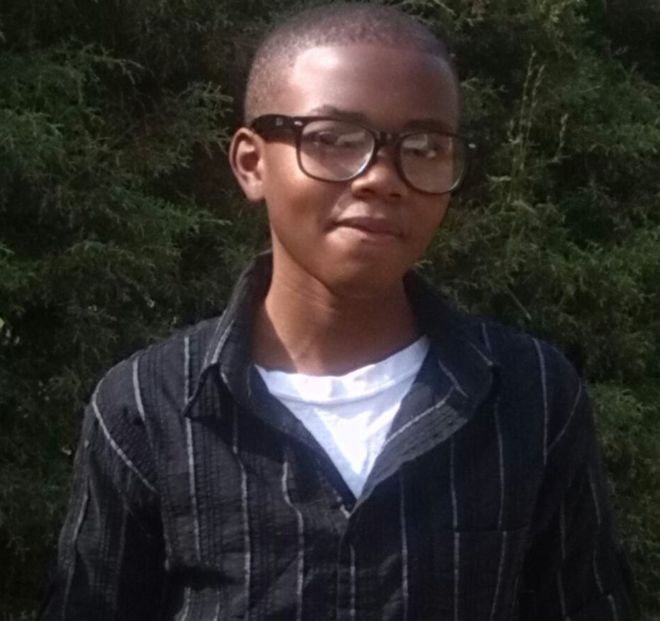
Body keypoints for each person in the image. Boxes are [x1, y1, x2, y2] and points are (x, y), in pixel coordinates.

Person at [41, 4, 637, 620]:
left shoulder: (531, 397)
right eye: (333, 139)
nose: (382, 178)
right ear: (251, 163)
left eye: (425, 147)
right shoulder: (148, 407)